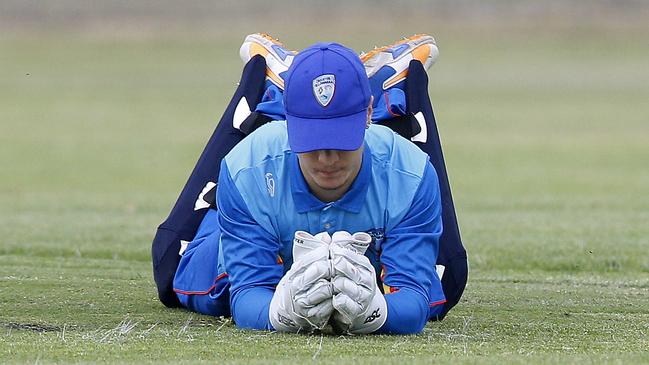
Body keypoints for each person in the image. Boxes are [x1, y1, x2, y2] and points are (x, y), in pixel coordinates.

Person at [171, 34, 446, 334]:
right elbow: (248, 292)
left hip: (385, 190)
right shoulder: (245, 169)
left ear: (368, 114)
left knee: (448, 281)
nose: (327, 159)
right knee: (169, 263)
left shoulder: (413, 174)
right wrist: (280, 311)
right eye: (312, 142)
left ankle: (394, 82)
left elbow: (413, 300)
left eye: (341, 141)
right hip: (261, 196)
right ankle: (264, 81)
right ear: (289, 124)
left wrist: (376, 312)